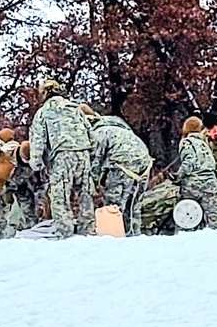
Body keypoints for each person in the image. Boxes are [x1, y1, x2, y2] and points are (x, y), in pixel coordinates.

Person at [28, 80, 94, 238]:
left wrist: (36, 162)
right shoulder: (74, 108)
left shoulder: (43, 112)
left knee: (59, 194)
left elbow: (38, 140)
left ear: (43, 94)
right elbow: (90, 131)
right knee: (85, 192)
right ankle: (88, 229)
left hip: (63, 155)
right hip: (83, 153)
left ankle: (65, 231)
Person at [87, 107, 153, 236]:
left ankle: (113, 240)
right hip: (145, 167)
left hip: (122, 167)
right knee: (134, 206)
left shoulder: (100, 132)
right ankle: (135, 236)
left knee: (114, 207)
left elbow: (96, 160)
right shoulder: (123, 130)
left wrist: (92, 182)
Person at [175, 116, 217, 230]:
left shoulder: (186, 142)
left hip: (193, 182)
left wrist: (178, 176)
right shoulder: (205, 143)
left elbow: (189, 160)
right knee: (213, 212)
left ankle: (186, 238)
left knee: (188, 213)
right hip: (210, 181)